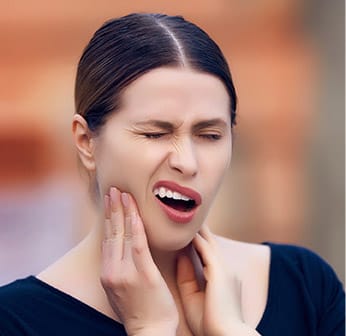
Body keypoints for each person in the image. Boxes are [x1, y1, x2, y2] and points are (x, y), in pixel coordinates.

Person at [0, 13, 344, 336]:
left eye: (210, 135)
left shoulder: (304, 285)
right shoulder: (15, 320)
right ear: (86, 141)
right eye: (155, 134)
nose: (188, 162)